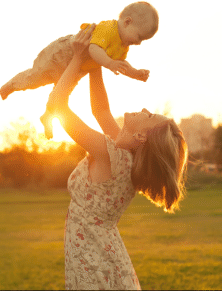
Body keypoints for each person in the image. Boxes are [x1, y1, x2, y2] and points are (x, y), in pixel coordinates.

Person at [49, 25, 188, 290]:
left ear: (141, 139)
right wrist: (96, 57)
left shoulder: (109, 153)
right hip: (102, 254)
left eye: (149, 117)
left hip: (92, 259)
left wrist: (79, 58)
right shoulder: (126, 156)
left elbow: (58, 105)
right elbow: (100, 110)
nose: (145, 109)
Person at [0, 1, 159, 139]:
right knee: (36, 77)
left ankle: (48, 115)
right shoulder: (109, 29)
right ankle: (12, 85)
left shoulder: (122, 46)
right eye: (139, 37)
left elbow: (122, 63)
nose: (139, 43)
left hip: (77, 68)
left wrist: (135, 73)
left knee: (62, 94)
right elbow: (94, 49)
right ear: (127, 22)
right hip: (63, 54)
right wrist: (109, 63)